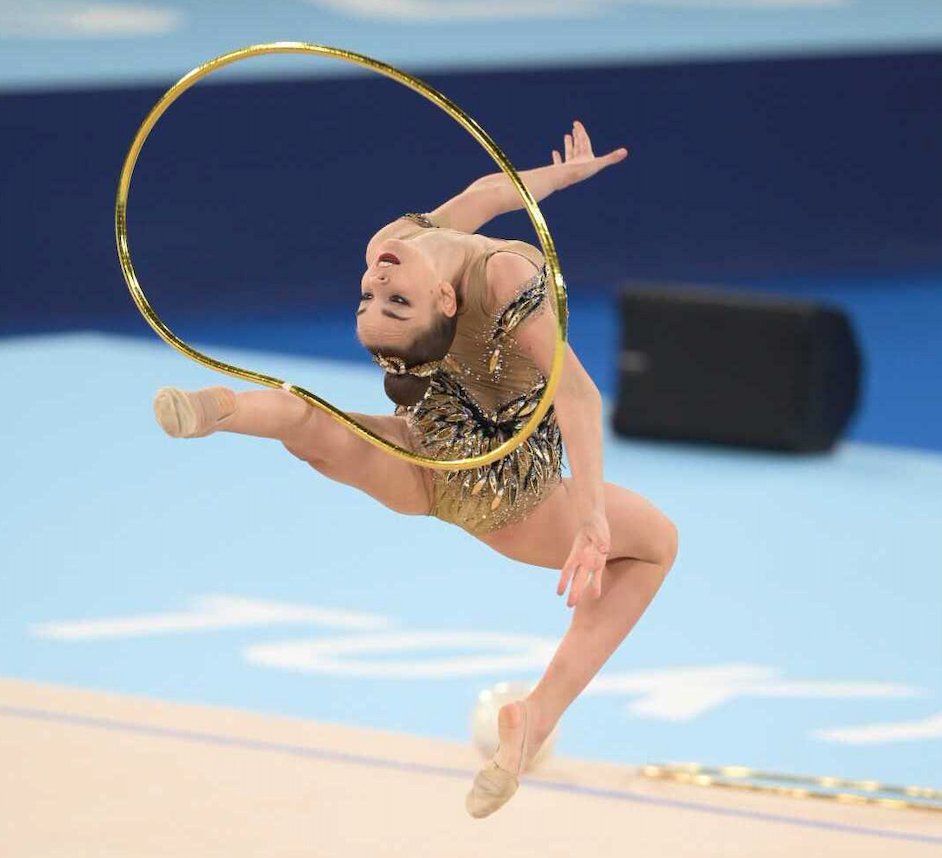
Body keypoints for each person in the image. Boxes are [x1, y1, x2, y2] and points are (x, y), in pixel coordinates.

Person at [153, 121, 678, 818]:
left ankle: (224, 408)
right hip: (493, 488)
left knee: (316, 427)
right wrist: (591, 516)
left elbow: (487, 197)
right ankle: (213, 408)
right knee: (656, 545)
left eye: (377, 299)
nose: (376, 283)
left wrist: (556, 181)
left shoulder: (399, 247)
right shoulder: (498, 276)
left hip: (438, 467)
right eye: (384, 300)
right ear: (446, 303)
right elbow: (576, 390)